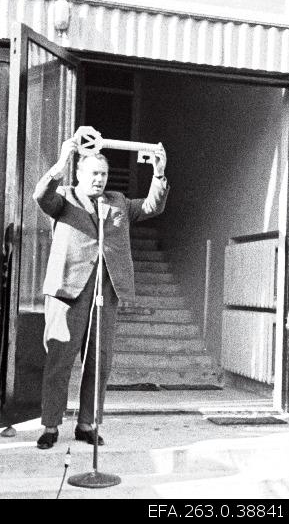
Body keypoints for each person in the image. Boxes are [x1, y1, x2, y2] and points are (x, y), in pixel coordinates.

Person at [33, 137, 169, 449]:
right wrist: (59, 163)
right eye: (93, 173)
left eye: (103, 174)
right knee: (60, 360)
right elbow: (41, 195)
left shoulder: (117, 201)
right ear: (78, 174)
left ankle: (87, 424)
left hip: (105, 292)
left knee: (99, 362)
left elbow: (152, 206)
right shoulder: (63, 198)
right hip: (67, 292)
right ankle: (51, 426)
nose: (99, 179)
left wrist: (159, 174)